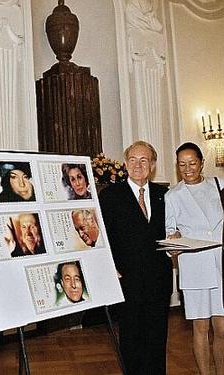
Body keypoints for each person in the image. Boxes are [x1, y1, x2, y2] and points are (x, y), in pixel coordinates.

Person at [99, 140, 172, 375]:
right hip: (127, 280)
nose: (137, 165)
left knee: (157, 338)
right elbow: (102, 236)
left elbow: (172, 230)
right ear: (125, 164)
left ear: (152, 164)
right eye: (132, 160)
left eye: (143, 160)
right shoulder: (111, 195)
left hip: (159, 280)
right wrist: (111, 267)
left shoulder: (165, 195)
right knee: (131, 340)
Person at [165, 142, 224, 375]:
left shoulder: (217, 185)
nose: (187, 169)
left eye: (192, 163)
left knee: (221, 328)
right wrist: (174, 240)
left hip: (220, 264)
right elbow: (170, 234)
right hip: (195, 267)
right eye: (182, 165)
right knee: (200, 327)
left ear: (202, 163)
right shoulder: (173, 196)